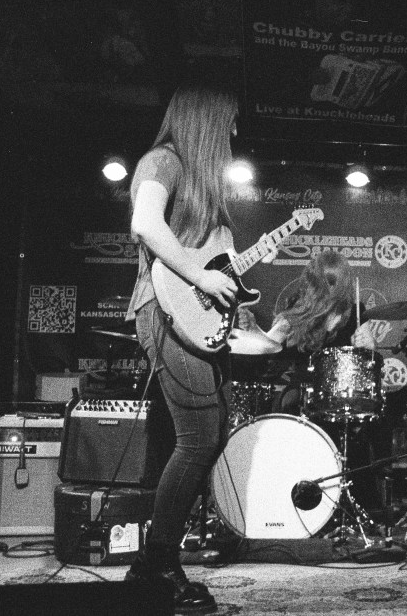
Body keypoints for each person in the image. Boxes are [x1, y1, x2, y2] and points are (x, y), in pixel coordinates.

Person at [124, 81, 278, 614]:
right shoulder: (162, 160)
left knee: (206, 437)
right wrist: (200, 275)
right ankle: (154, 564)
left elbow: (217, 269)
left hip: (194, 319)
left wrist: (240, 315)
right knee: (197, 439)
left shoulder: (205, 186)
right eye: (229, 121)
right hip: (162, 311)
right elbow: (145, 224)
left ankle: (157, 561)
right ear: (207, 121)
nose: (235, 131)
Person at [228, 249, 377, 414]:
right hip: (302, 389)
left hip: (342, 389)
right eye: (326, 283)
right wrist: (252, 327)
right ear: (315, 283)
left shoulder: (355, 310)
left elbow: (369, 353)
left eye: (334, 283)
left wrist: (366, 346)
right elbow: (268, 344)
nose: (330, 289)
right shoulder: (299, 308)